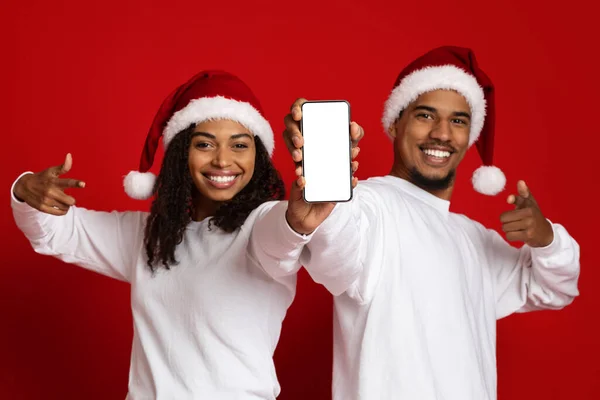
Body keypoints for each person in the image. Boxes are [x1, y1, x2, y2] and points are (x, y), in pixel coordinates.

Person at [251, 46, 581, 400]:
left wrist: (545, 238)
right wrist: (329, 194)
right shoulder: (370, 205)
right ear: (395, 123)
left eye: (458, 120)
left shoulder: (473, 238)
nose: (441, 133)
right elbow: (337, 257)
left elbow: (554, 289)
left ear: (470, 136)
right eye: (425, 115)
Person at [10, 70, 319, 399]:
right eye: (204, 144)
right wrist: (25, 190)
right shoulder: (149, 235)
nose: (223, 160)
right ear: (180, 153)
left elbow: (286, 234)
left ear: (257, 156)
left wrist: (300, 219)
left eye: (239, 145)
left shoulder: (261, 226)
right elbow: (55, 232)